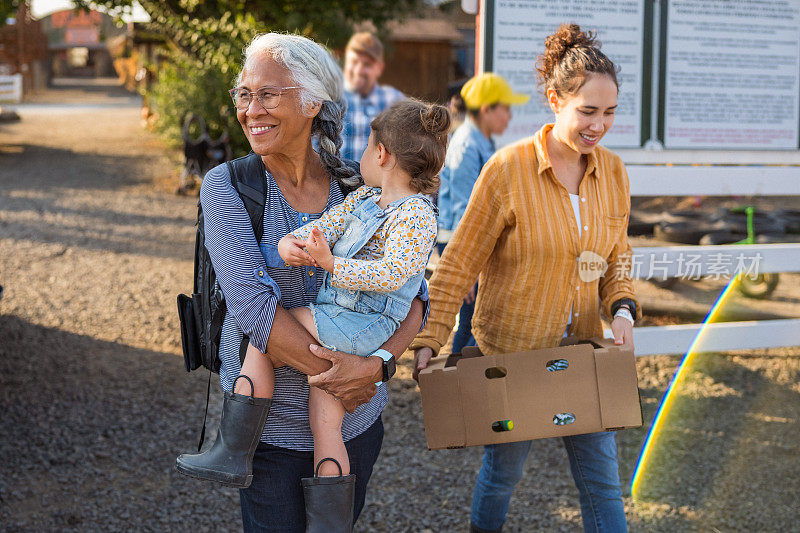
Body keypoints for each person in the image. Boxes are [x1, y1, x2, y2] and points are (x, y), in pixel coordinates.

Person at [174, 33, 429, 532]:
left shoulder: (361, 187)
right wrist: (348, 374)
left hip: (355, 424)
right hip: (268, 441)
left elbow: (416, 294)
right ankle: (231, 450)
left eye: (268, 94)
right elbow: (253, 308)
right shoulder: (229, 187)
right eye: (244, 94)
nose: (251, 110)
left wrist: (377, 368)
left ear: (313, 103)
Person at [410, 24, 641, 533]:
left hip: (585, 355)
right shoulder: (507, 169)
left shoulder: (616, 173)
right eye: (587, 111)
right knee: (503, 475)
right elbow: (458, 263)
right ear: (556, 99)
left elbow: (617, 254)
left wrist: (621, 307)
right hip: (512, 358)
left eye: (609, 113)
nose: (599, 125)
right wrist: (430, 337)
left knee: (603, 485)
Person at [436, 72, 529, 353]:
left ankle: (461, 378)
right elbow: (466, 206)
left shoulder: (480, 141)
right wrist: (466, 266)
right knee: (471, 319)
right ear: (487, 109)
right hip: (462, 240)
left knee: (472, 317)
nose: (509, 117)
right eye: (506, 109)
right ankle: (458, 378)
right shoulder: (467, 145)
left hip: (470, 241)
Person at [340, 32, 405, 162]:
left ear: (379, 68)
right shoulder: (329, 98)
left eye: (367, 64)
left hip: (377, 182)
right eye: (354, 62)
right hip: (334, 180)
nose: (358, 70)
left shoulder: (394, 101)